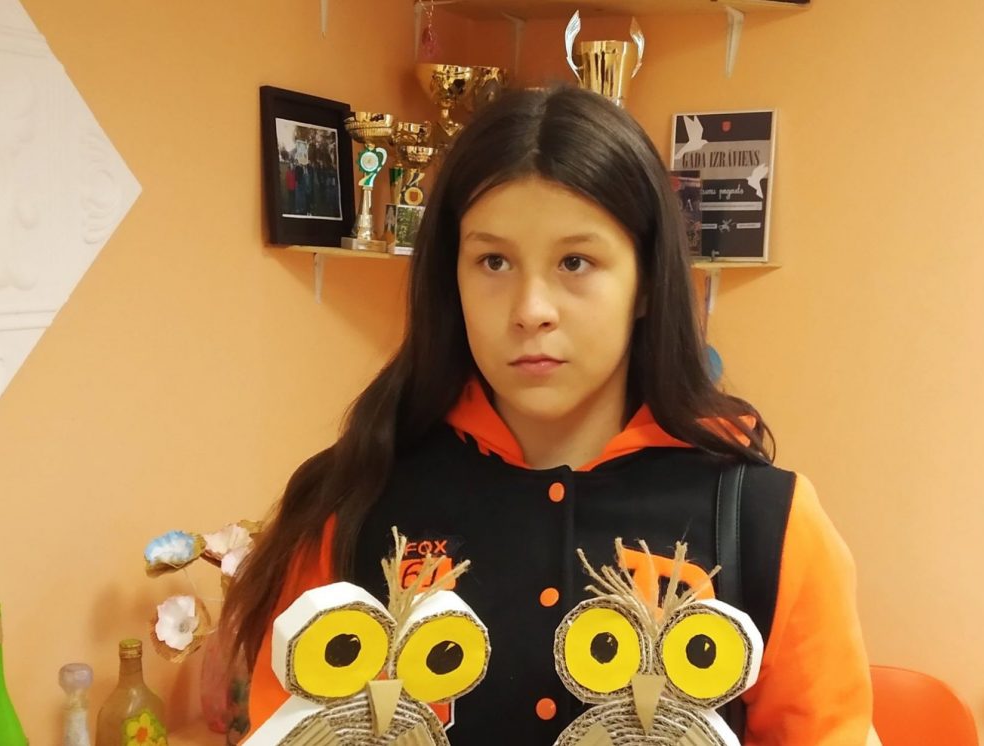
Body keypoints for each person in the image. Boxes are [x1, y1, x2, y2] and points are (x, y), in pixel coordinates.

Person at [224, 85, 872, 745]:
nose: (531, 309)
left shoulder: (764, 521)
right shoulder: (353, 498)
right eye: (494, 261)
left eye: (575, 262)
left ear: (647, 282)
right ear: (451, 278)